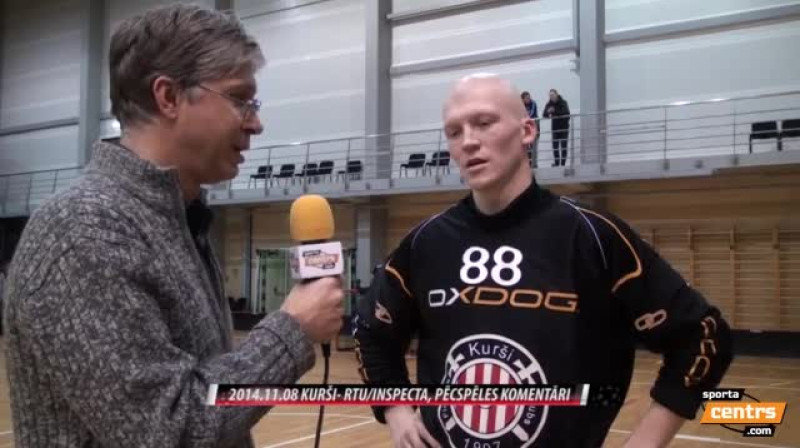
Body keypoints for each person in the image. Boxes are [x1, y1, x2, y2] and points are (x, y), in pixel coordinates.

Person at [3, 4, 344, 447]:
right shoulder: (84, 231)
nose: (256, 123)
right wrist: (291, 331)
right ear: (168, 97)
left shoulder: (176, 220)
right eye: (240, 99)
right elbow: (169, 428)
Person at [353, 74, 732, 448]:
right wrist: (395, 408)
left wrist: (646, 441)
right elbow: (370, 330)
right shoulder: (425, 243)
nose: (468, 141)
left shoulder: (593, 237)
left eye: (484, 123)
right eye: (454, 132)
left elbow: (704, 334)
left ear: (527, 131)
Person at [543, 89, 571, 167]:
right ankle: (557, 163)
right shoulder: (549, 103)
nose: (551, 97)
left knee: (563, 146)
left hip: (564, 128)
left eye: (552, 95)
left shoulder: (563, 102)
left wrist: (554, 111)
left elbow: (566, 113)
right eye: (550, 95)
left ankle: (563, 164)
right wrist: (548, 112)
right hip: (555, 128)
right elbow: (544, 115)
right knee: (555, 147)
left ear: (556, 94)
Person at [521, 91, 539, 167]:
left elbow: (532, 114)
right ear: (523, 99)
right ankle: (527, 163)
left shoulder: (533, 103)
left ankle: (534, 164)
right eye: (526, 98)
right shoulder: (520, 105)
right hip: (525, 129)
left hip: (533, 128)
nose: (528, 99)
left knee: (533, 146)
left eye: (529, 97)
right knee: (526, 147)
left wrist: (525, 117)